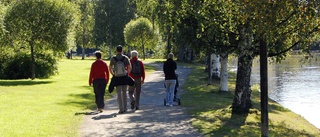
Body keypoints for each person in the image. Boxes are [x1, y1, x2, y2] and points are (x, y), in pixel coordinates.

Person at [109, 45, 132, 114]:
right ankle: (125, 108)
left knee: (119, 93)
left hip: (117, 77)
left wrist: (113, 74)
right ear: (122, 50)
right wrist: (127, 73)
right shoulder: (125, 58)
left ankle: (121, 109)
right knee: (124, 92)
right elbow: (129, 67)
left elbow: (110, 68)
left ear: (116, 50)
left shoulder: (113, 58)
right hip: (124, 77)